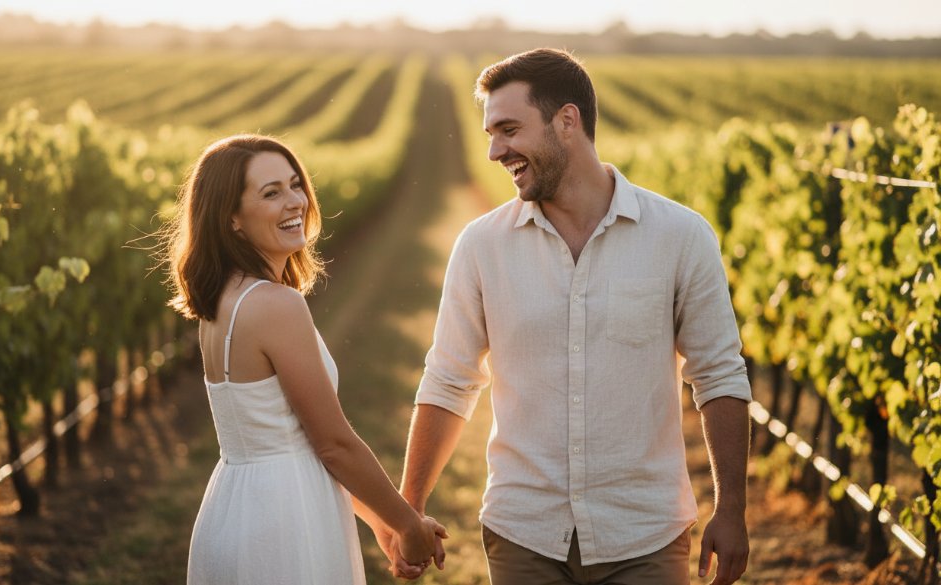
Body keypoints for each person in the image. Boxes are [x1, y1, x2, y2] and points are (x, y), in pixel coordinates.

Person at [386, 49, 752, 584]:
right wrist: (408, 508)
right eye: (490, 133)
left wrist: (732, 508)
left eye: (509, 129)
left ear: (567, 121)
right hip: (522, 533)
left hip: (645, 534)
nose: (494, 151)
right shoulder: (482, 246)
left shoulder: (680, 236)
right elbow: (448, 381)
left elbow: (719, 374)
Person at [164, 134, 446, 584]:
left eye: (295, 185)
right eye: (271, 193)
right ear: (231, 219)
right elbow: (334, 443)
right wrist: (409, 526)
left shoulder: (222, 300)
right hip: (284, 518)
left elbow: (299, 440)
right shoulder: (275, 304)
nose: (295, 201)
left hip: (236, 507)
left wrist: (379, 521)